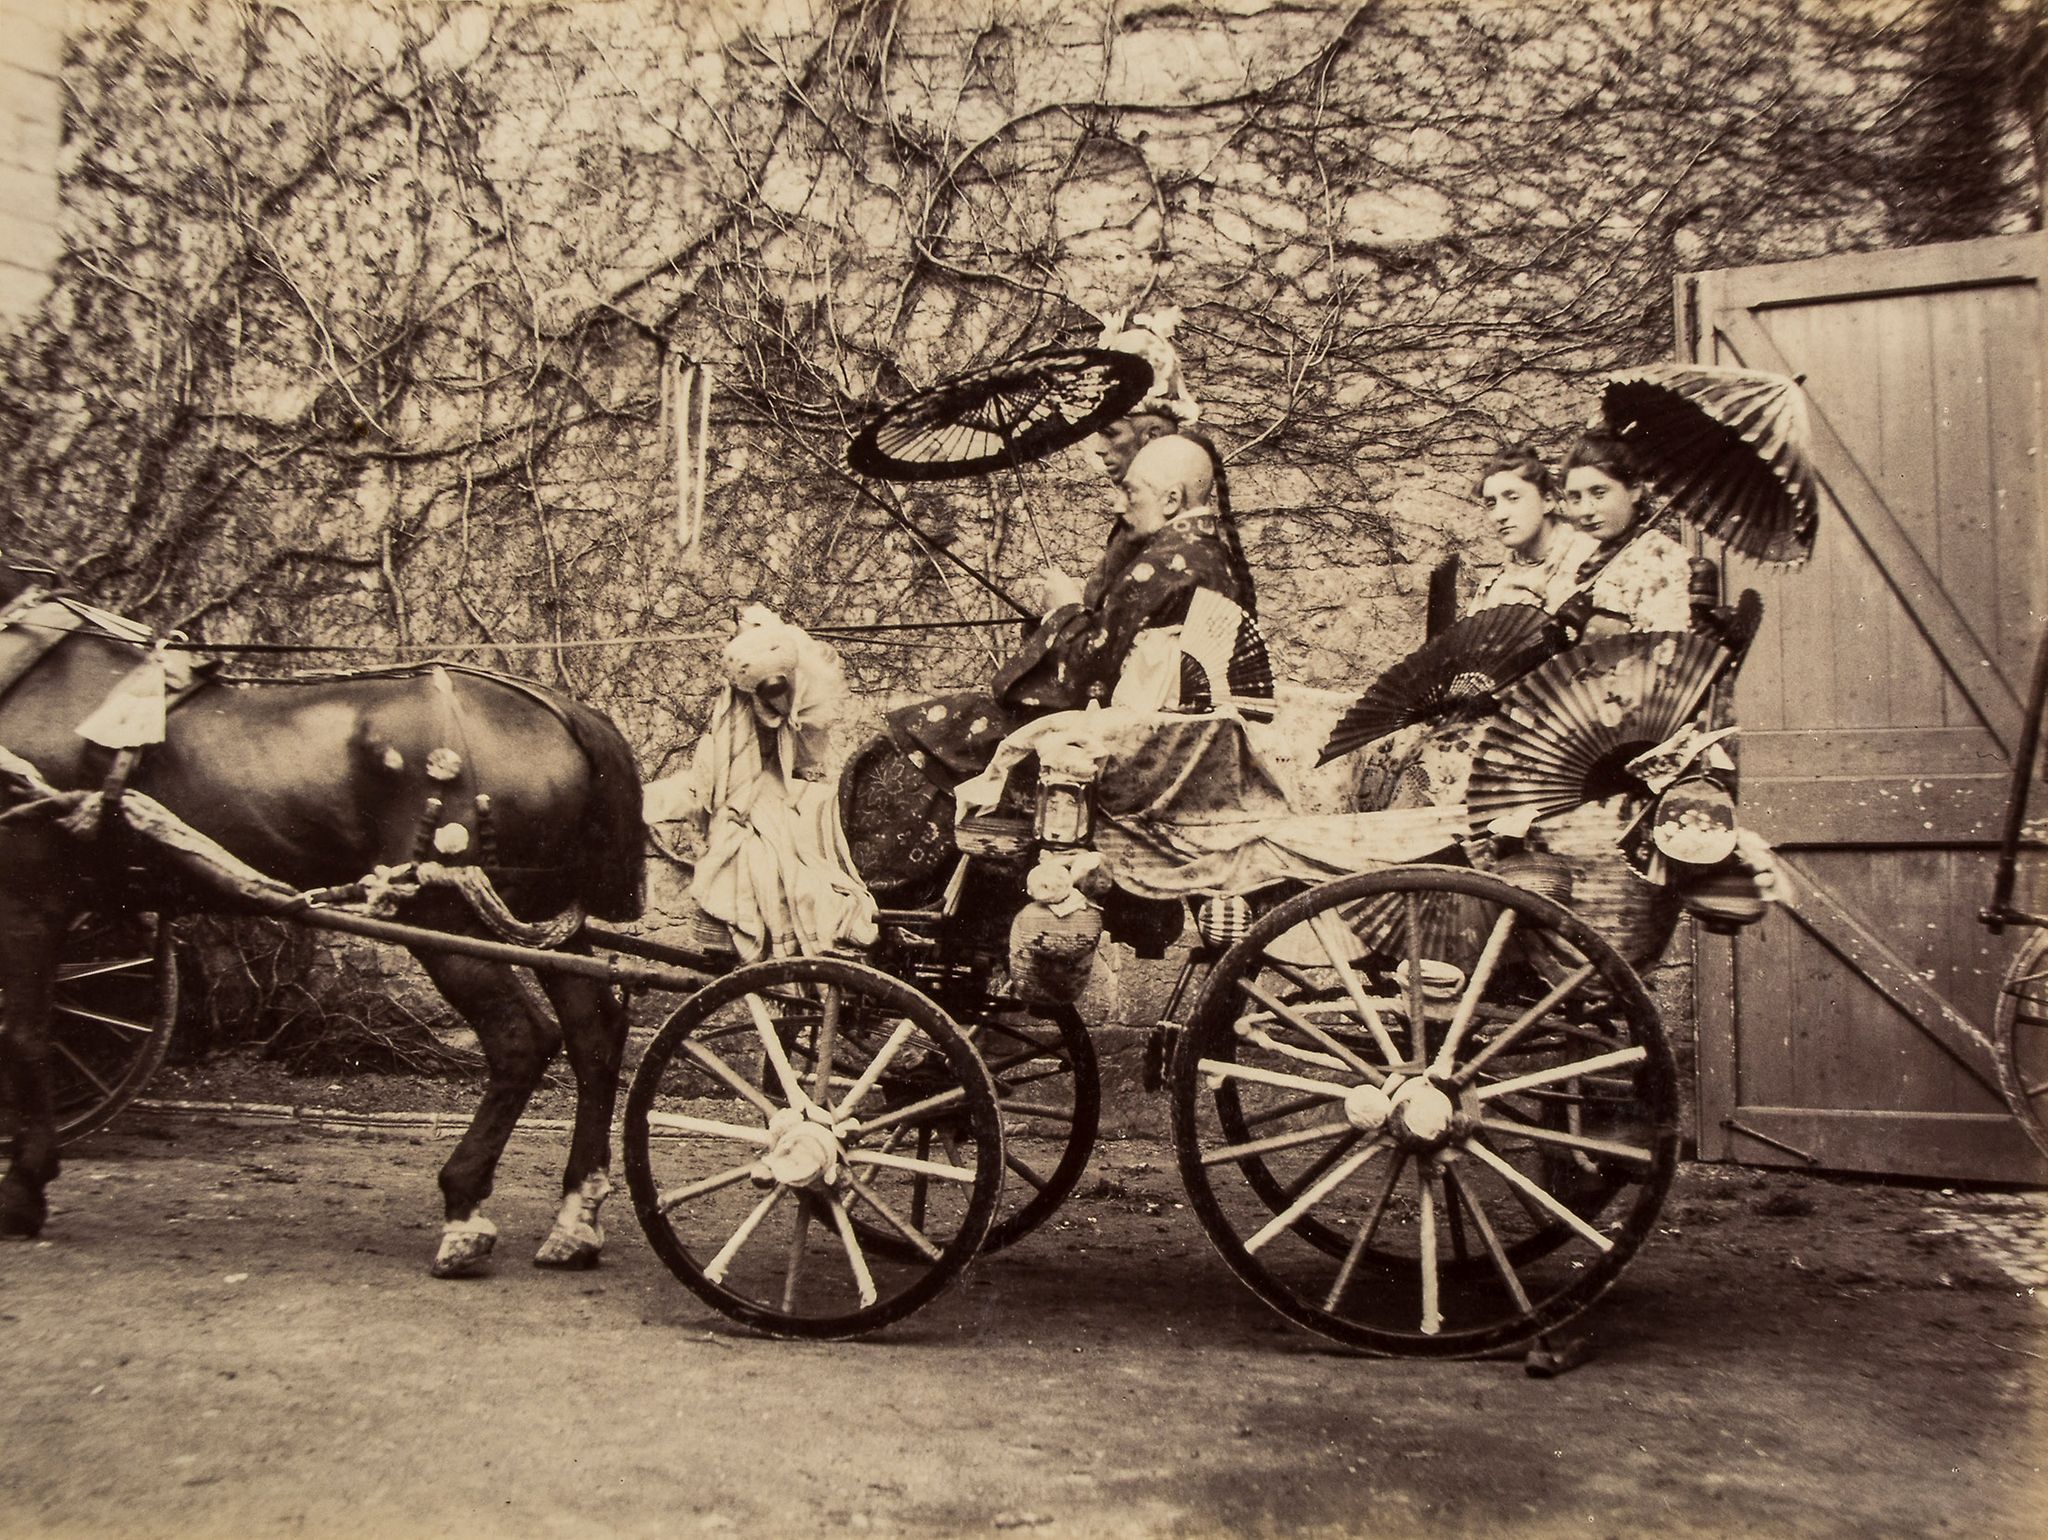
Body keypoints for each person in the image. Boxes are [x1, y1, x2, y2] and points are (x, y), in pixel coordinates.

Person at [1558, 428, 1692, 639]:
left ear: (1634, 490)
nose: (1586, 510)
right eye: (1575, 498)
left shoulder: (1658, 558)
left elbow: (1666, 648)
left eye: (1599, 493)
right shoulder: (1594, 558)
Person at [1472, 444, 1597, 615]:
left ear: (1547, 501)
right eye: (1491, 504)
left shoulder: (1590, 560)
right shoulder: (1493, 587)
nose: (1499, 515)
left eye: (1513, 498)